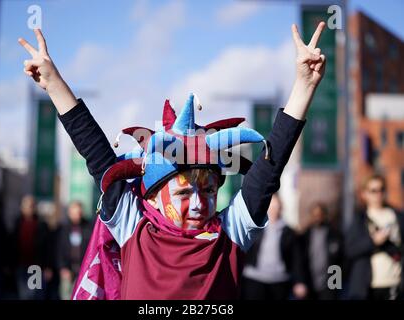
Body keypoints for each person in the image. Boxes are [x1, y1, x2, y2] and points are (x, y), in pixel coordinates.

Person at [18, 21, 327, 299]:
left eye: (208, 191)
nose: (197, 203)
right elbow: (97, 155)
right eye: (182, 192)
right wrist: (54, 83)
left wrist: (304, 86)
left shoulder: (230, 232)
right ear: (151, 197)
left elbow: (267, 172)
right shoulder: (133, 225)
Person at [346, 174, 404, 300]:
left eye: (381, 189)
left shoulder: (398, 216)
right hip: (367, 286)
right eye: (373, 190)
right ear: (364, 194)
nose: (378, 194)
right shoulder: (359, 219)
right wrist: (373, 241)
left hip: (395, 284)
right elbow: (349, 250)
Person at [242, 194, 307, 300]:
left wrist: (300, 281)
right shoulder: (255, 227)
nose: (273, 210)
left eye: (276, 207)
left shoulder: (289, 233)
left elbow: (297, 259)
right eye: (271, 206)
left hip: (279, 280)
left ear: (281, 208)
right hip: (254, 278)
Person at [299, 202, 343, 300]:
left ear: (325, 215)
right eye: (315, 215)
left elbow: (342, 259)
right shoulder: (305, 236)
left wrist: (337, 282)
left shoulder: (335, 234)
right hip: (309, 281)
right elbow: (299, 260)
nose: (317, 217)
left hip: (331, 283)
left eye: (320, 214)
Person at [10, 195, 49, 300]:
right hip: (21, 265)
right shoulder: (17, 223)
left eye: (31, 206)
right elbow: (12, 244)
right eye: (26, 206)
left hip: (36, 266)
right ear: (22, 207)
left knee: (35, 295)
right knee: (23, 295)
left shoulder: (41, 224)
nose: (29, 208)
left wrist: (47, 266)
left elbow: (46, 247)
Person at [57, 201, 91, 299]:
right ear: (69, 213)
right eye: (74, 213)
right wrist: (62, 267)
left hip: (83, 268)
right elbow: (59, 249)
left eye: (79, 213)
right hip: (67, 269)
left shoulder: (88, 227)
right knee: (66, 295)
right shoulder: (63, 228)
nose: (77, 216)